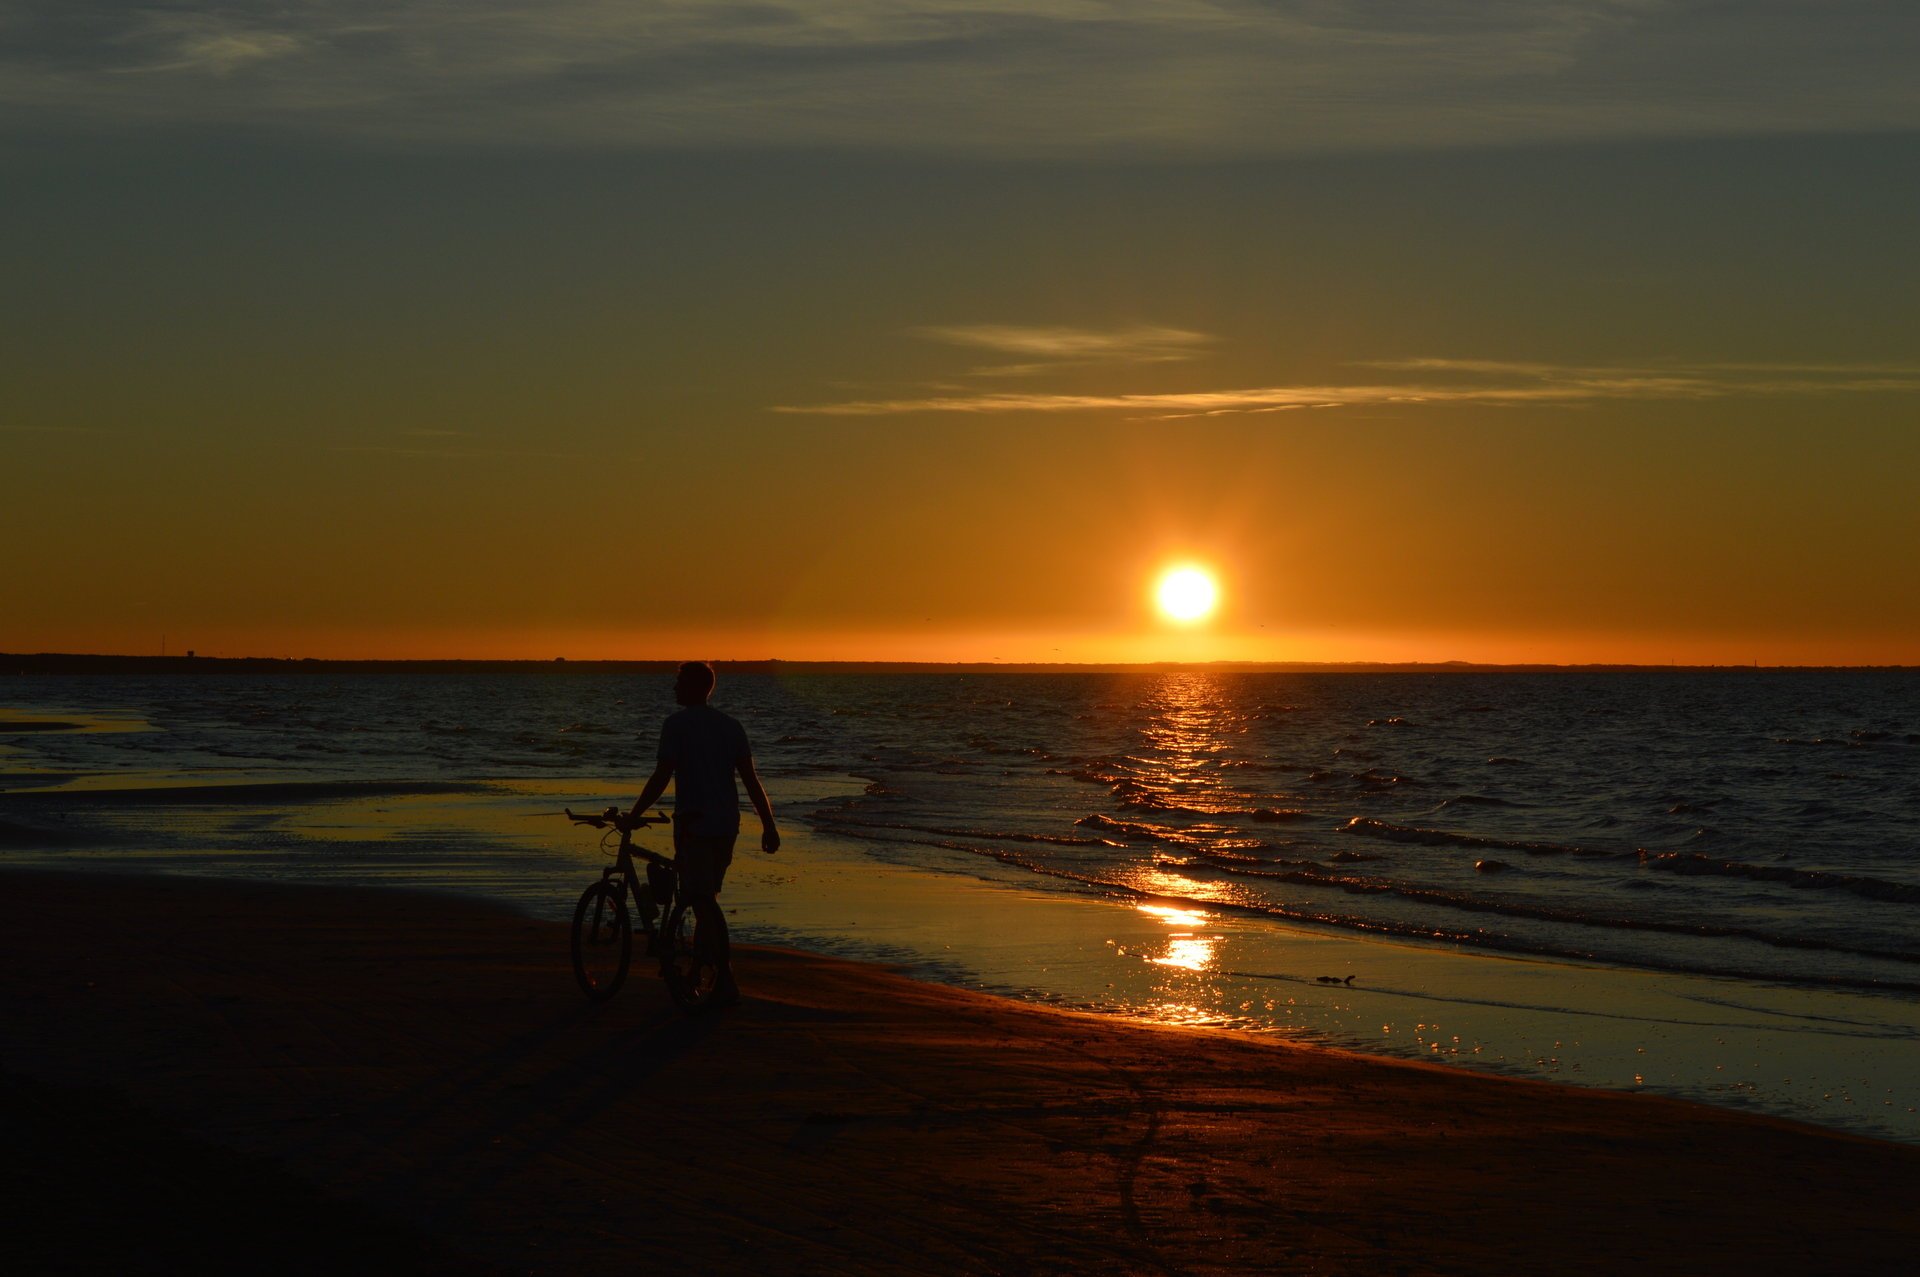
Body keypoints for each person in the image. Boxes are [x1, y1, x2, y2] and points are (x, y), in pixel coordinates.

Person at [625, 661, 778, 1006]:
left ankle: (725, 976)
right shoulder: (730, 726)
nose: (674, 689)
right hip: (726, 824)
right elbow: (751, 780)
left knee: (702, 900)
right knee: (706, 897)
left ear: (695, 687)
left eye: (679, 683)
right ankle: (697, 970)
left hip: (694, 824)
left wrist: (634, 814)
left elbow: (662, 774)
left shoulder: (676, 725)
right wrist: (768, 824)